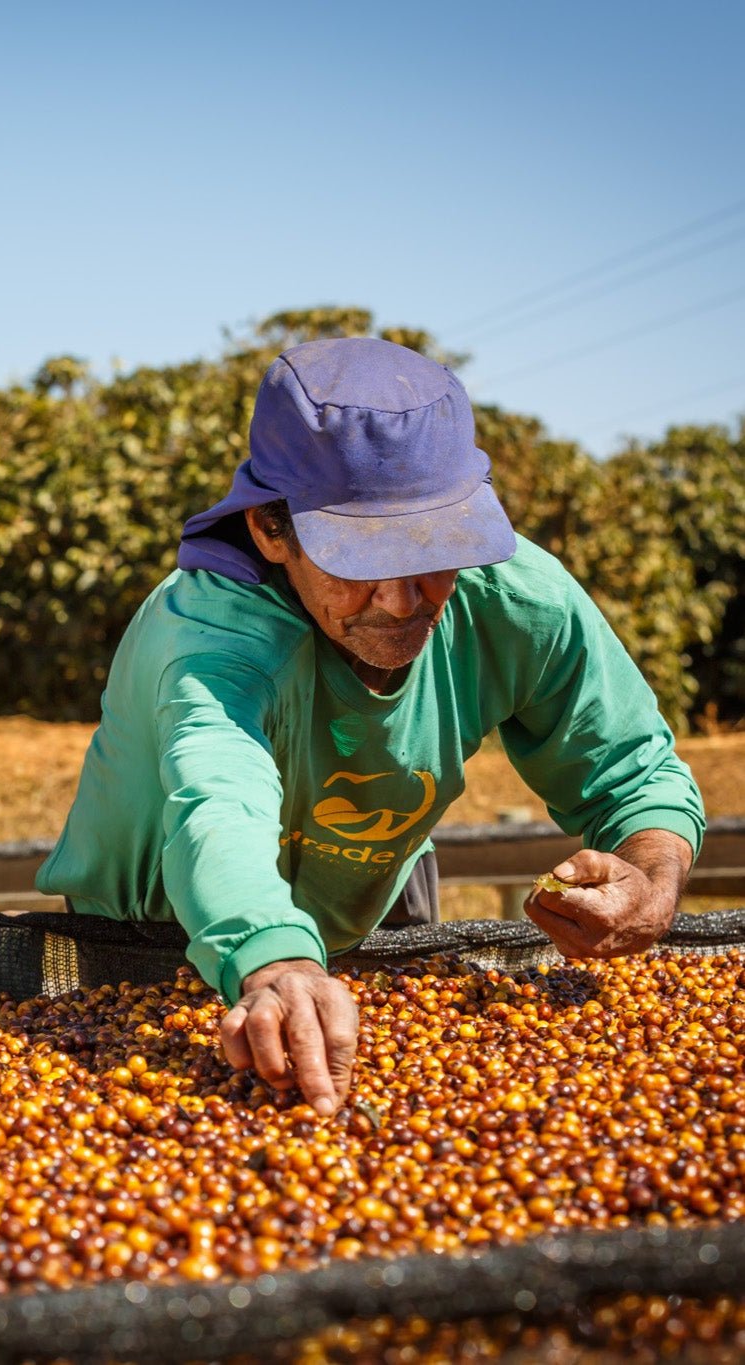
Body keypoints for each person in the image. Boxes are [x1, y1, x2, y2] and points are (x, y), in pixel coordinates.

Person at [36, 336, 704, 1118]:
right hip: (140, 950)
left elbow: (632, 771)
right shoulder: (209, 636)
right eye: (355, 561)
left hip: (357, 930)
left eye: (433, 551)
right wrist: (276, 961)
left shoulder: (519, 600)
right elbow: (219, 801)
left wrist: (652, 873)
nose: (399, 601)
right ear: (270, 531)